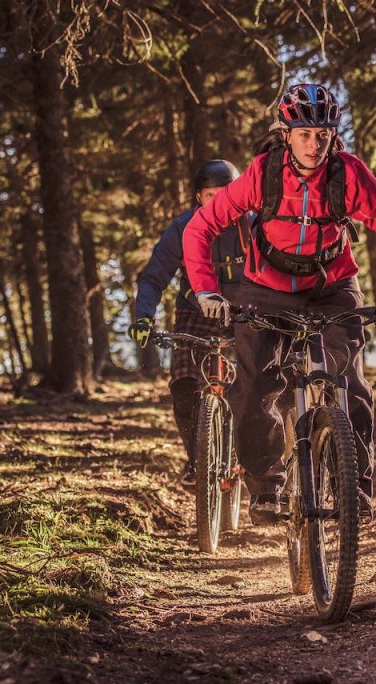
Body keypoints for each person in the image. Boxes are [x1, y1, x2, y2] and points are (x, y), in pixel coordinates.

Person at [182, 83, 376, 525]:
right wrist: (206, 290)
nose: (315, 144)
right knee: (255, 383)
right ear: (287, 134)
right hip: (265, 286)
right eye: (304, 134)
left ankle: (354, 488)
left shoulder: (348, 174)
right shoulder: (263, 173)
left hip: (331, 286)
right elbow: (200, 228)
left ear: (333, 135)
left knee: (349, 382)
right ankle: (265, 485)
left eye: (323, 134)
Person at [129, 159, 252, 486]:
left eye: (224, 194)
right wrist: (143, 317)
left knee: (256, 387)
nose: (217, 202)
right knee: (183, 386)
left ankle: (255, 459)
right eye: (209, 195)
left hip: (245, 313)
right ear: (198, 198)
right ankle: (197, 461)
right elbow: (153, 277)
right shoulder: (182, 228)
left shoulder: (255, 225)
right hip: (193, 313)